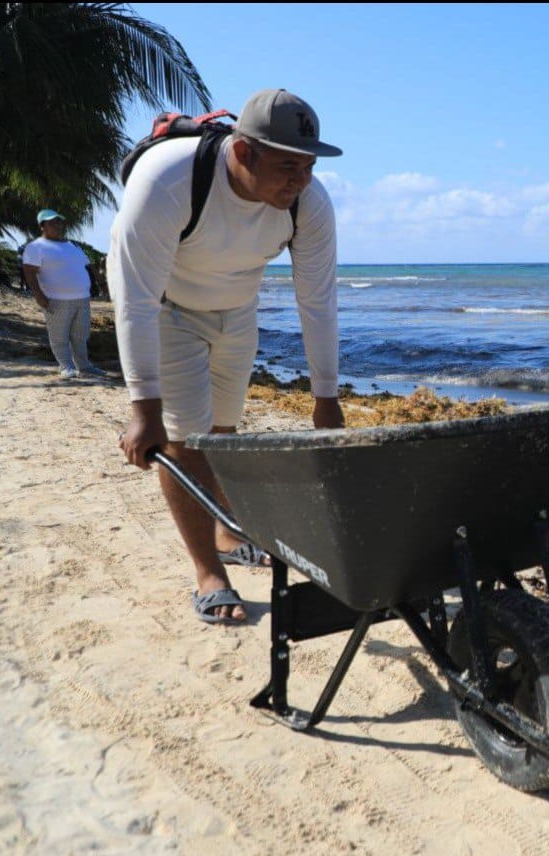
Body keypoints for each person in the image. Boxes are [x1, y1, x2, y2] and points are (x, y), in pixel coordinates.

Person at [111, 88, 345, 624]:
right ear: (243, 153)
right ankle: (208, 573)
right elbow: (135, 299)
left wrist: (325, 398)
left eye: (308, 166)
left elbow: (319, 301)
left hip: (238, 311)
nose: (300, 180)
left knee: (224, 434)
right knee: (185, 439)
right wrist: (143, 408)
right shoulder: (167, 179)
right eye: (288, 166)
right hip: (167, 309)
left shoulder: (309, 203)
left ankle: (225, 531)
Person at [21, 210, 108, 379]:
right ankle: (66, 366)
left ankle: (84, 366)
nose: (57, 224)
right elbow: (29, 271)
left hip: (82, 298)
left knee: (80, 335)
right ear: (42, 226)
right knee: (59, 335)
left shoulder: (72, 245)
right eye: (51, 222)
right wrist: (38, 295)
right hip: (56, 299)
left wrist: (99, 283)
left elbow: (87, 266)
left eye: (58, 221)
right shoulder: (35, 247)